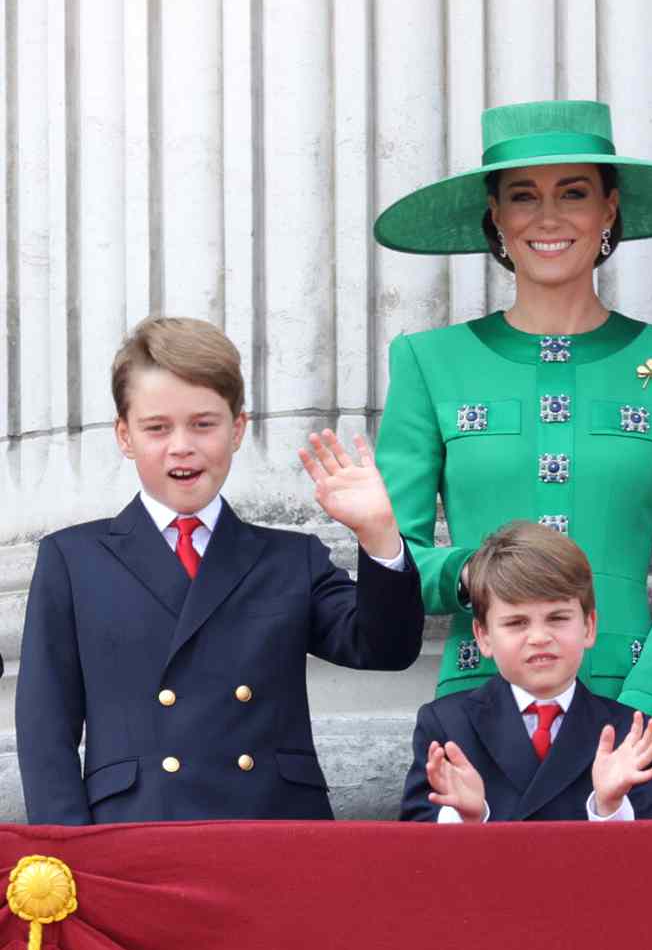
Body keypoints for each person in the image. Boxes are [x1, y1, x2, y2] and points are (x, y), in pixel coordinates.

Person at [372, 99, 652, 818]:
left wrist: (644, 708)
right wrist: (470, 570)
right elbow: (393, 554)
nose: (548, 217)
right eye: (523, 196)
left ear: (610, 209)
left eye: (574, 192)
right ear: (495, 218)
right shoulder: (428, 363)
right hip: (478, 713)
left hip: (627, 723)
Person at [16, 316, 424, 822]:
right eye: (157, 427)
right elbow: (45, 728)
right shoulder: (73, 559)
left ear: (238, 430)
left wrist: (378, 533)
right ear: (124, 435)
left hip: (271, 830)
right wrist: (68, 859)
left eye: (203, 424)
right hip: (134, 832)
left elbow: (384, 648)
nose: (182, 445)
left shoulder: (290, 558)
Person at [401, 521, 652, 823]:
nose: (539, 637)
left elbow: (644, 860)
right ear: (483, 635)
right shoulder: (447, 725)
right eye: (516, 623)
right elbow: (415, 851)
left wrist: (609, 806)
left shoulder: (628, 732)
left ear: (589, 627)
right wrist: (468, 818)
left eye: (557, 618)